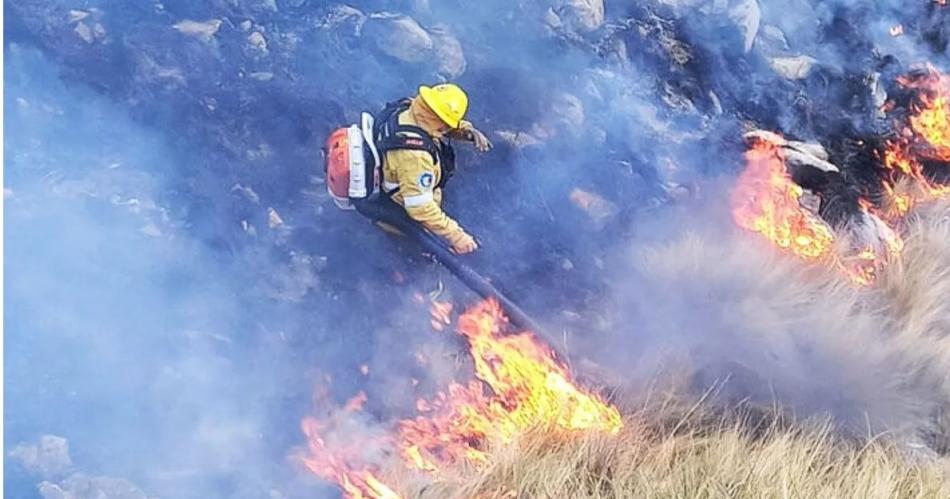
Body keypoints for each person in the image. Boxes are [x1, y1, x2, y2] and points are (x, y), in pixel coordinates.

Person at [371, 83, 492, 254]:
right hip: (401, 217)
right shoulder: (416, 158)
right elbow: (420, 207)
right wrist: (457, 236)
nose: (447, 129)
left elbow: (433, 122)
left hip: (397, 182)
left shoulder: (408, 109)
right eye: (447, 125)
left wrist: (466, 131)